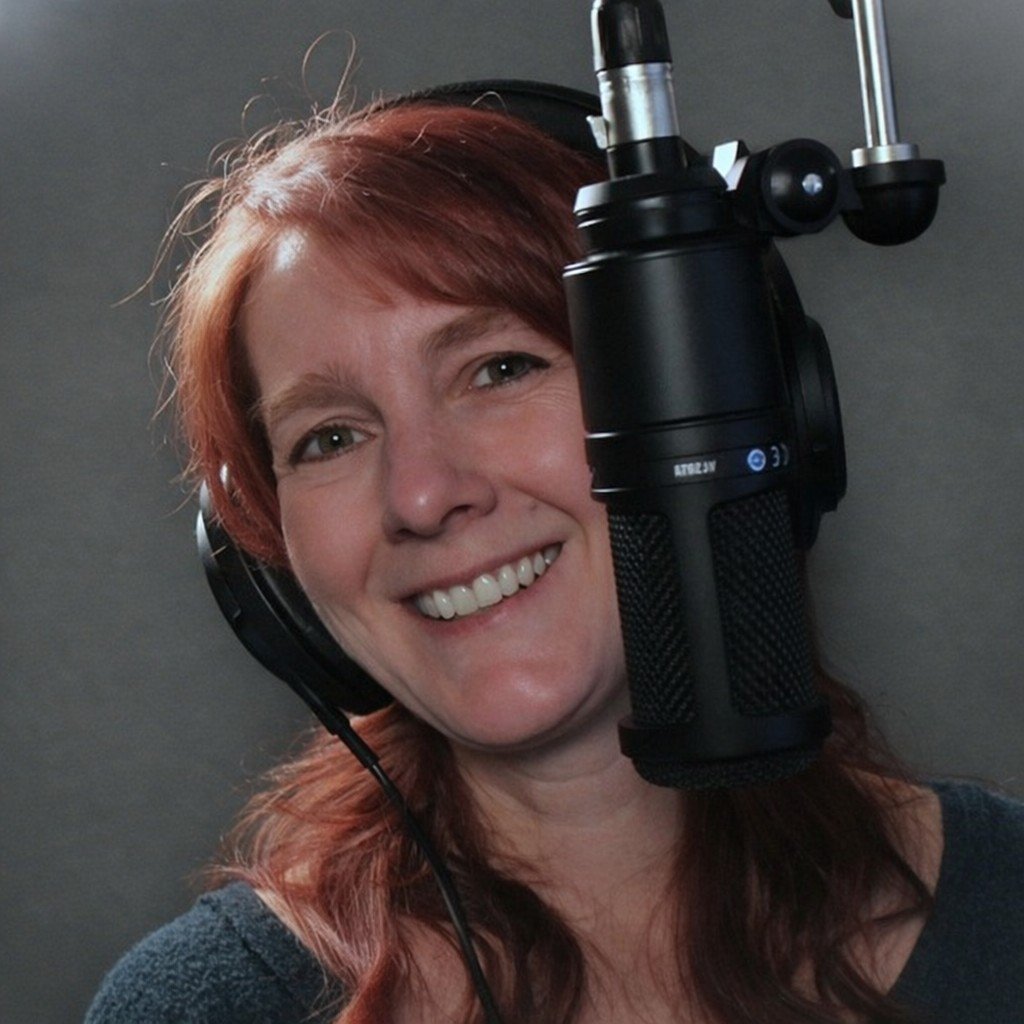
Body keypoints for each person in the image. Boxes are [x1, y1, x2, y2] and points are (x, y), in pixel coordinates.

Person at [86, 94, 1024, 1024]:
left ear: (739, 405)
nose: (421, 496)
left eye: (500, 369)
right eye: (329, 438)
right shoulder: (200, 1006)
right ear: (262, 561)